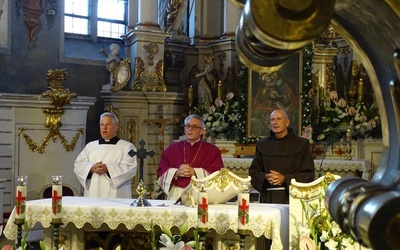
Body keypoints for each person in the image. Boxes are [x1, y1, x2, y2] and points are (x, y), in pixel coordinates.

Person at [249, 109, 314, 204]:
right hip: (267, 198)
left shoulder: (301, 144)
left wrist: (284, 178)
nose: (275, 122)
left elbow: (308, 175)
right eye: (272, 119)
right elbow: (253, 172)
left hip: (292, 198)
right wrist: (266, 176)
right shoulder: (262, 145)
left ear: (287, 122)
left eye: (279, 119)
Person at [157, 114, 224, 201]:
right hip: (176, 193)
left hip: (200, 193)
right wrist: (176, 172)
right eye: (188, 126)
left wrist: (195, 172)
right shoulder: (172, 148)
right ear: (184, 129)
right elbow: (161, 170)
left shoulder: (213, 151)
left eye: (195, 127)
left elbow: (218, 175)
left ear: (202, 131)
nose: (190, 129)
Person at [74, 112, 137, 198]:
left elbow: (130, 167)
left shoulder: (127, 147)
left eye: (108, 124)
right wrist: (91, 168)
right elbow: (78, 164)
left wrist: (108, 168)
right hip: (94, 192)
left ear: (116, 127)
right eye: (102, 124)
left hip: (117, 194)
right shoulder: (91, 146)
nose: (104, 127)